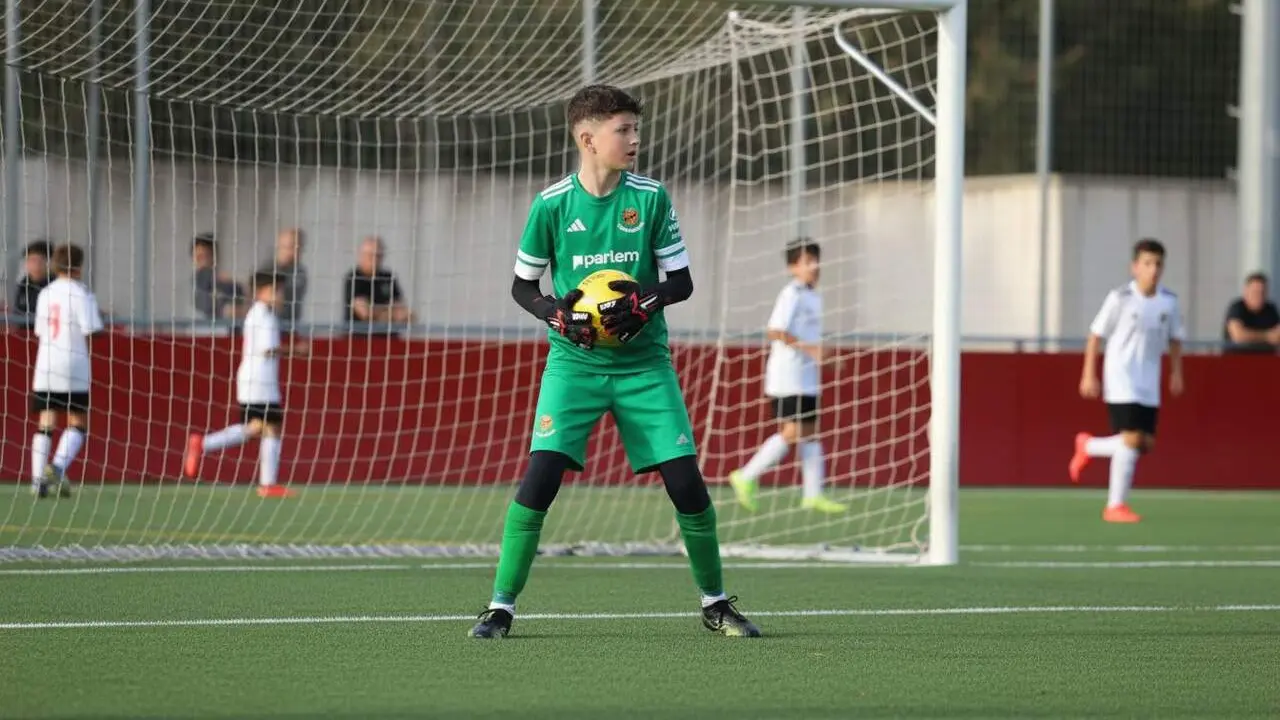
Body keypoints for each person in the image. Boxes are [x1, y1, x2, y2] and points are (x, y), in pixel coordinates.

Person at [468, 84, 760, 640]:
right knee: (540, 477)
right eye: (623, 130)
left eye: (635, 128)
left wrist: (647, 301)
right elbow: (523, 286)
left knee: (687, 485)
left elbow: (682, 282)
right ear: (588, 137)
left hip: (645, 366)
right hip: (573, 366)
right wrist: (556, 314)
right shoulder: (552, 205)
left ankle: (716, 603)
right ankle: (500, 608)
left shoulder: (650, 197)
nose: (634, 139)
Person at [1069, 238, 1185, 523]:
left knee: (1145, 443)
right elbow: (1096, 335)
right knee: (1131, 439)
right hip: (1121, 376)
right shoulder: (1120, 298)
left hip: (1149, 380)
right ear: (1135, 267)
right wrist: (1088, 373)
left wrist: (1176, 372)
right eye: (1147, 263)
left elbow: (1175, 339)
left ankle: (1089, 446)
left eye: (1158, 264)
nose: (1153, 269)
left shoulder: (1168, 302)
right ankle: (1115, 506)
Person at [728, 239, 846, 514]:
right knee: (793, 432)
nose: (814, 266)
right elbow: (775, 331)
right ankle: (745, 476)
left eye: (816, 260)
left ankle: (813, 494)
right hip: (787, 376)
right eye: (807, 262)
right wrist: (812, 350)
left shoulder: (814, 295)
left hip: (807, 377)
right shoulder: (791, 293)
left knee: (811, 432)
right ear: (793, 267)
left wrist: (821, 357)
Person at [182, 271, 303, 498]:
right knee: (269, 426)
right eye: (278, 291)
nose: (281, 296)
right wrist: (296, 349)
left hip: (258, 380)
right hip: (259, 382)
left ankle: (203, 444)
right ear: (263, 292)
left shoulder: (262, 314)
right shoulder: (262, 315)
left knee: (257, 428)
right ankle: (267, 484)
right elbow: (268, 349)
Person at [30, 244, 104, 498]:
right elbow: (92, 329)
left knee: (46, 421)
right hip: (73, 363)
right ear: (79, 267)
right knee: (78, 421)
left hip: (45, 363)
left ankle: (37, 480)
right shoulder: (81, 293)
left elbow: (39, 330)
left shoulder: (45, 293)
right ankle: (57, 467)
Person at [342, 236, 412, 332]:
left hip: (389, 338)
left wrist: (377, 313)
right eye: (370, 255)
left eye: (378, 255)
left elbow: (404, 314)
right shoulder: (354, 278)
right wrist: (390, 314)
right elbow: (365, 313)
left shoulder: (388, 277)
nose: (374, 259)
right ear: (361, 255)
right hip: (360, 338)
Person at [261, 227, 308, 332]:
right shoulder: (267, 270)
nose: (295, 251)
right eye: (291, 246)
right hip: (270, 329)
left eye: (299, 247)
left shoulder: (300, 272)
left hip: (292, 328)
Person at [192, 233, 248, 320]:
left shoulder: (229, 285)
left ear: (215, 256)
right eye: (199, 257)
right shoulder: (191, 284)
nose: (202, 262)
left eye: (206, 256)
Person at [1222, 272, 1279, 354]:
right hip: (1238, 361)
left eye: (1262, 292)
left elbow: (1278, 335)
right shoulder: (1237, 308)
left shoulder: (1271, 309)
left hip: (1265, 361)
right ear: (1246, 291)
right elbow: (1238, 336)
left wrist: (1250, 335)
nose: (1259, 296)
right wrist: (1267, 336)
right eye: (1255, 292)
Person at [13, 239, 54, 318]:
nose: (36, 265)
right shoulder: (22, 285)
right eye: (32, 260)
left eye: (41, 261)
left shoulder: (56, 286)